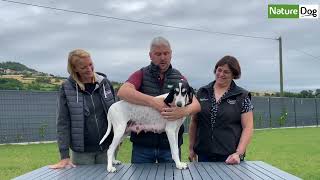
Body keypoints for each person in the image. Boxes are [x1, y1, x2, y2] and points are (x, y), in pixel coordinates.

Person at [117, 36, 201, 163]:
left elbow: (196, 105)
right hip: (142, 146)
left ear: (171, 54)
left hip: (169, 148)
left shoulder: (180, 78)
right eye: (158, 54)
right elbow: (123, 92)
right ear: (150, 56)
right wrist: (153, 101)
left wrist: (184, 111)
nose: (162, 57)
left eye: (166, 53)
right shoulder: (141, 74)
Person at [49, 49, 116, 169]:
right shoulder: (66, 88)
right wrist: (64, 156)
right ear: (74, 68)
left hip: (107, 148)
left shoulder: (105, 84)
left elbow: (116, 113)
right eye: (84, 67)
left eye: (90, 64)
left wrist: (118, 137)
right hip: (82, 153)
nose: (89, 69)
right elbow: (62, 123)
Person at [188, 55, 254, 164]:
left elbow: (248, 127)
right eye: (219, 70)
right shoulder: (202, 92)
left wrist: (238, 153)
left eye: (226, 72)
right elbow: (194, 121)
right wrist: (191, 148)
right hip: (204, 156)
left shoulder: (242, 96)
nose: (221, 74)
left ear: (234, 75)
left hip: (230, 158)